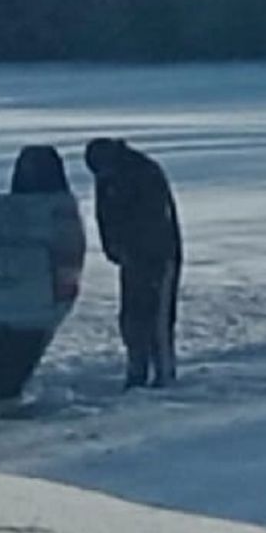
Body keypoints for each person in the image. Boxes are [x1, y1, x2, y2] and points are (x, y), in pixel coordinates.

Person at [84, 138, 181, 389]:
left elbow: (154, 218)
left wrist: (137, 249)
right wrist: (114, 249)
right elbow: (105, 216)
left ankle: (163, 371)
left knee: (157, 315)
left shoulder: (143, 172)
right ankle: (136, 368)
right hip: (131, 256)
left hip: (158, 254)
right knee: (132, 316)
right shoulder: (108, 177)